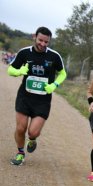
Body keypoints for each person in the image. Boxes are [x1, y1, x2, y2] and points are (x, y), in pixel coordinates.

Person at [7, 27, 66, 165]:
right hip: (24, 96)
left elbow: (63, 73)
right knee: (20, 128)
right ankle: (20, 153)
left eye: (46, 42)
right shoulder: (24, 53)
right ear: (34, 37)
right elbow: (10, 69)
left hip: (43, 100)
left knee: (32, 132)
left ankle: (32, 140)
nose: (43, 44)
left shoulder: (54, 56)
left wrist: (55, 85)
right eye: (40, 40)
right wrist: (19, 71)